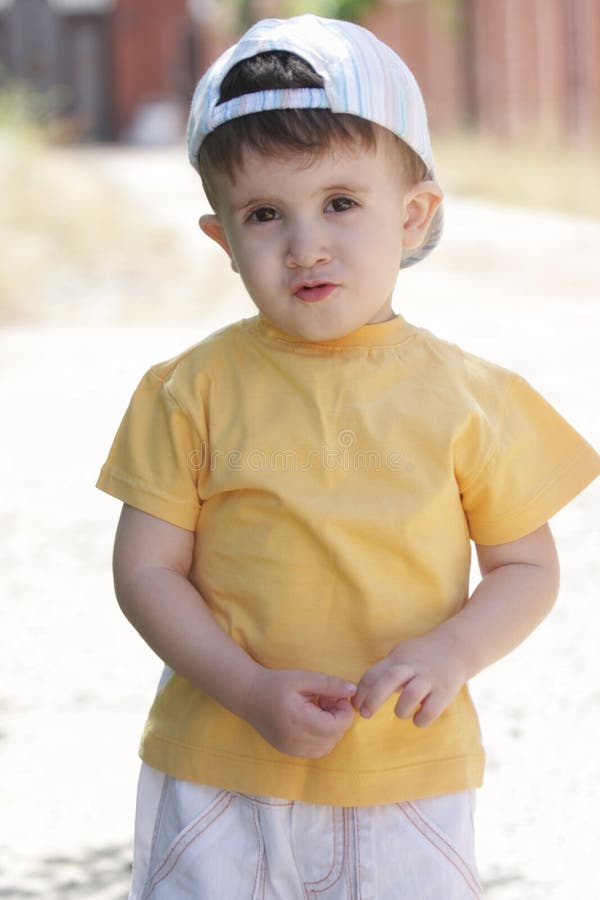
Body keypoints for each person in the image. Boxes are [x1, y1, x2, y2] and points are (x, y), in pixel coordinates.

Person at [97, 14, 599, 900]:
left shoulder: (472, 395)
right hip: (220, 768)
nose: (306, 245)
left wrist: (452, 654)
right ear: (223, 240)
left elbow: (527, 567)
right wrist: (246, 690)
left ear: (412, 215)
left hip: (406, 777)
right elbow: (145, 573)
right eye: (264, 214)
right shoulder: (189, 389)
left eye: (340, 202)